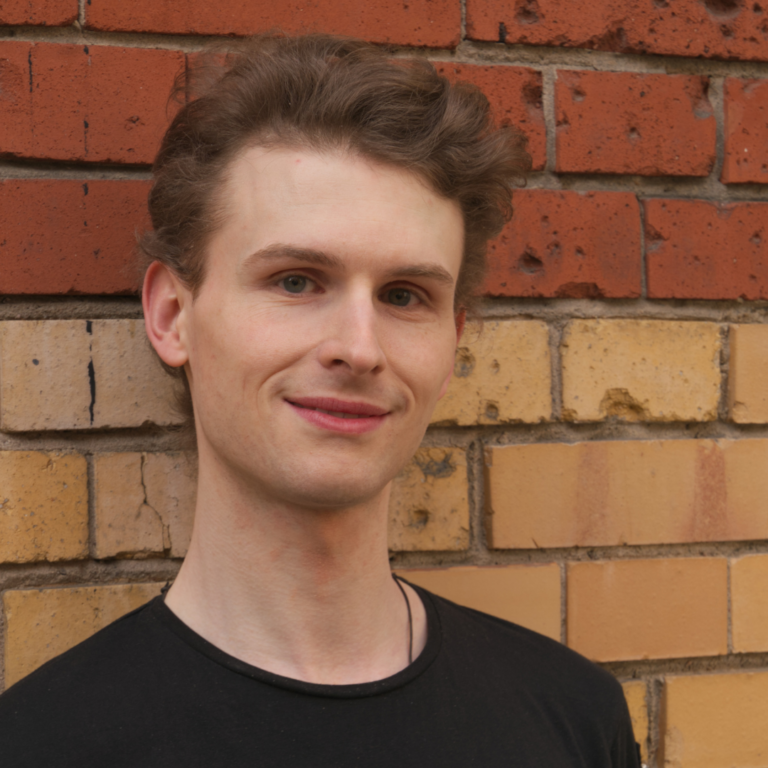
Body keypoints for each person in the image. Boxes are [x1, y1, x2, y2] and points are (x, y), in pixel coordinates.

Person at [0, 34, 640, 767]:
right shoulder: (38, 744)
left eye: (405, 296)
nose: (360, 348)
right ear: (173, 315)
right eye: (297, 281)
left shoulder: (573, 719)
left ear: (452, 341)